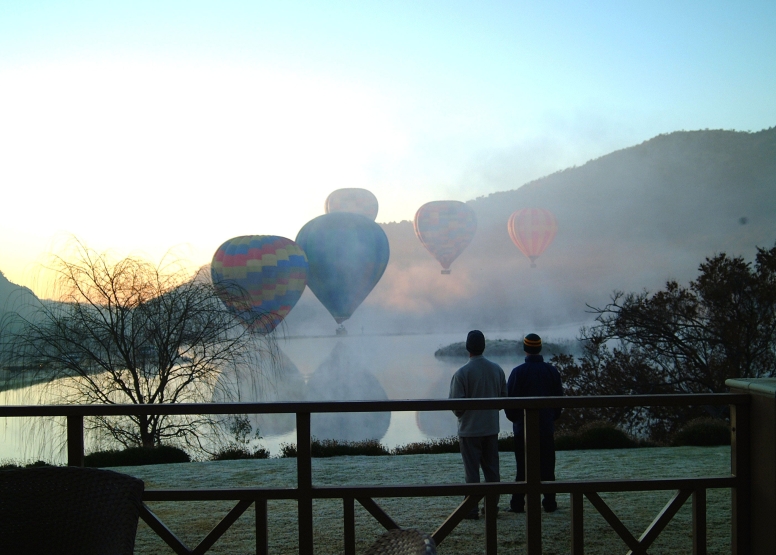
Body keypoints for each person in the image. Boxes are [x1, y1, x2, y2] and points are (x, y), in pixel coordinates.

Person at [449, 330, 508, 519]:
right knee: (492, 472)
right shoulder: (497, 370)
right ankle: (491, 508)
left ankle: (471, 509)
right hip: (491, 428)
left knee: (472, 473)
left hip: (469, 430)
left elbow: (456, 407)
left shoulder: (461, 373)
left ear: (468, 348)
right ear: (484, 346)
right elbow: (503, 400)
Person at [505, 333, 564, 513]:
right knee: (548, 467)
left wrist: (515, 419)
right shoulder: (552, 371)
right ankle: (549, 502)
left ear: (525, 349)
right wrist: (550, 417)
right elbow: (558, 401)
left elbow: (510, 403)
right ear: (540, 348)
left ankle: (518, 504)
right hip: (546, 426)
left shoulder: (517, 372)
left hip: (522, 429)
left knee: (522, 468)